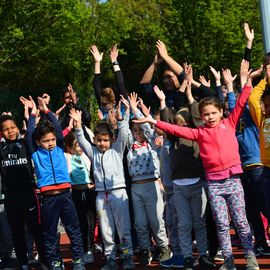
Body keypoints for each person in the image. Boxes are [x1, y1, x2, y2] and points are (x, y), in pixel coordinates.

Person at [133, 60, 260, 270]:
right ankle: (228, 260)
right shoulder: (198, 133)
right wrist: (153, 121)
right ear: (201, 118)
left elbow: (240, 102)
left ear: (220, 113)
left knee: (241, 221)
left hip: (233, 180)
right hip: (214, 184)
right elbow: (175, 130)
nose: (210, 117)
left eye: (213, 113)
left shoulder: (229, 123)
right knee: (220, 224)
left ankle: (250, 256)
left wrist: (247, 81)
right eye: (206, 115)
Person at [71, 97, 134, 270]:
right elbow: (82, 141)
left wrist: (122, 119)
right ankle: (111, 258)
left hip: (118, 193)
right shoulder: (93, 153)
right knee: (106, 231)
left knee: (123, 229)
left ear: (111, 140)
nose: (102, 143)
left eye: (105, 140)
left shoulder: (117, 150)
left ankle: (127, 256)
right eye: (99, 140)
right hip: (101, 196)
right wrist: (77, 125)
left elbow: (122, 134)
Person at [26, 97, 85, 270]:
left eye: (52, 140)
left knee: (73, 230)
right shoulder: (35, 153)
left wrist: (46, 110)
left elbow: (57, 128)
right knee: (50, 234)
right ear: (38, 143)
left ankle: (78, 260)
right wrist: (33, 114)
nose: (50, 143)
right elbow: (29, 135)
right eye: (46, 141)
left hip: (66, 196)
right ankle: (55, 262)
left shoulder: (59, 146)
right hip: (48, 199)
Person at [126, 92, 171, 266]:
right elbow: (124, 132)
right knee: (140, 222)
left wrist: (136, 111)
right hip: (136, 187)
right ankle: (145, 249)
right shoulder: (130, 146)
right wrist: (128, 112)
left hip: (152, 185)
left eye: (140, 130)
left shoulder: (153, 143)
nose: (138, 133)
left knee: (156, 219)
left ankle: (164, 247)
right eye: (134, 130)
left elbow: (147, 128)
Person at [0, 114, 47, 270]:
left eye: (13, 127)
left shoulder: (26, 144)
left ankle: (45, 262)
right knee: (17, 232)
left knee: (35, 230)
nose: (10, 131)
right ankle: (23, 263)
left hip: (28, 194)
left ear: (18, 129)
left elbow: (34, 132)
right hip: (10, 197)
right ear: (1, 133)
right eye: (6, 129)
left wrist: (32, 116)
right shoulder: (1, 149)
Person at [64, 132, 96, 265]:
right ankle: (83, 248)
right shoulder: (66, 156)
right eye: (77, 145)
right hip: (76, 193)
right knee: (80, 222)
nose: (80, 147)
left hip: (89, 191)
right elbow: (61, 139)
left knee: (91, 221)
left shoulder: (87, 155)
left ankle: (90, 247)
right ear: (69, 147)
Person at [248, 56, 270, 223]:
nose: (267, 109)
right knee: (266, 204)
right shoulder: (262, 119)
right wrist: (264, 80)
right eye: (267, 106)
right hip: (267, 168)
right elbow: (253, 100)